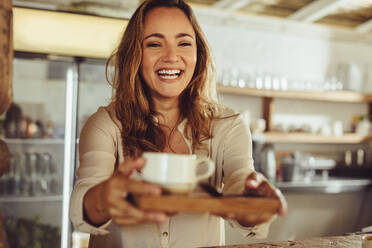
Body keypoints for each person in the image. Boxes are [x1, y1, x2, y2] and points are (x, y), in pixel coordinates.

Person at [69, 0, 287, 247]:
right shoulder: (105, 125)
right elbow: (83, 203)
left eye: (184, 43)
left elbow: (240, 180)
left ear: (199, 54)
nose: (172, 56)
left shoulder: (229, 126)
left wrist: (253, 203)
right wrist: (103, 199)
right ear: (134, 55)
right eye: (154, 43)